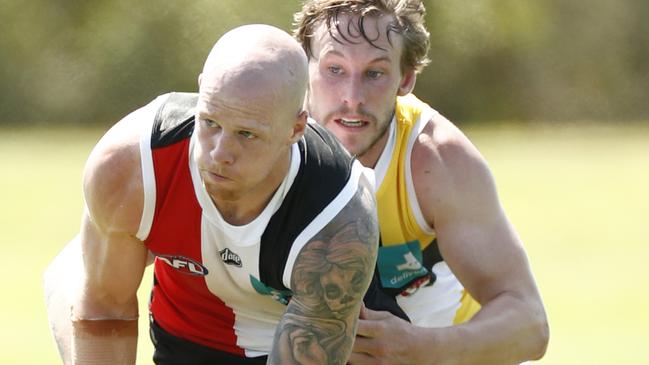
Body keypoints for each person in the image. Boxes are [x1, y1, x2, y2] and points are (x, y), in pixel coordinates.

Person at [43, 24, 382, 365]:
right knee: (71, 272)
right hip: (188, 330)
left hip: (285, 336)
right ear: (202, 88)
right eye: (210, 123)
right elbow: (106, 311)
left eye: (246, 134)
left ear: (295, 128)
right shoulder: (130, 165)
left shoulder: (337, 222)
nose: (220, 153)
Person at [293, 1, 550, 364]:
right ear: (304, 66)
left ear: (406, 79)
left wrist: (415, 349)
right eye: (334, 69)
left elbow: (529, 325)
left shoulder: (436, 159)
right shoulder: (267, 145)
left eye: (375, 73)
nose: (352, 97)